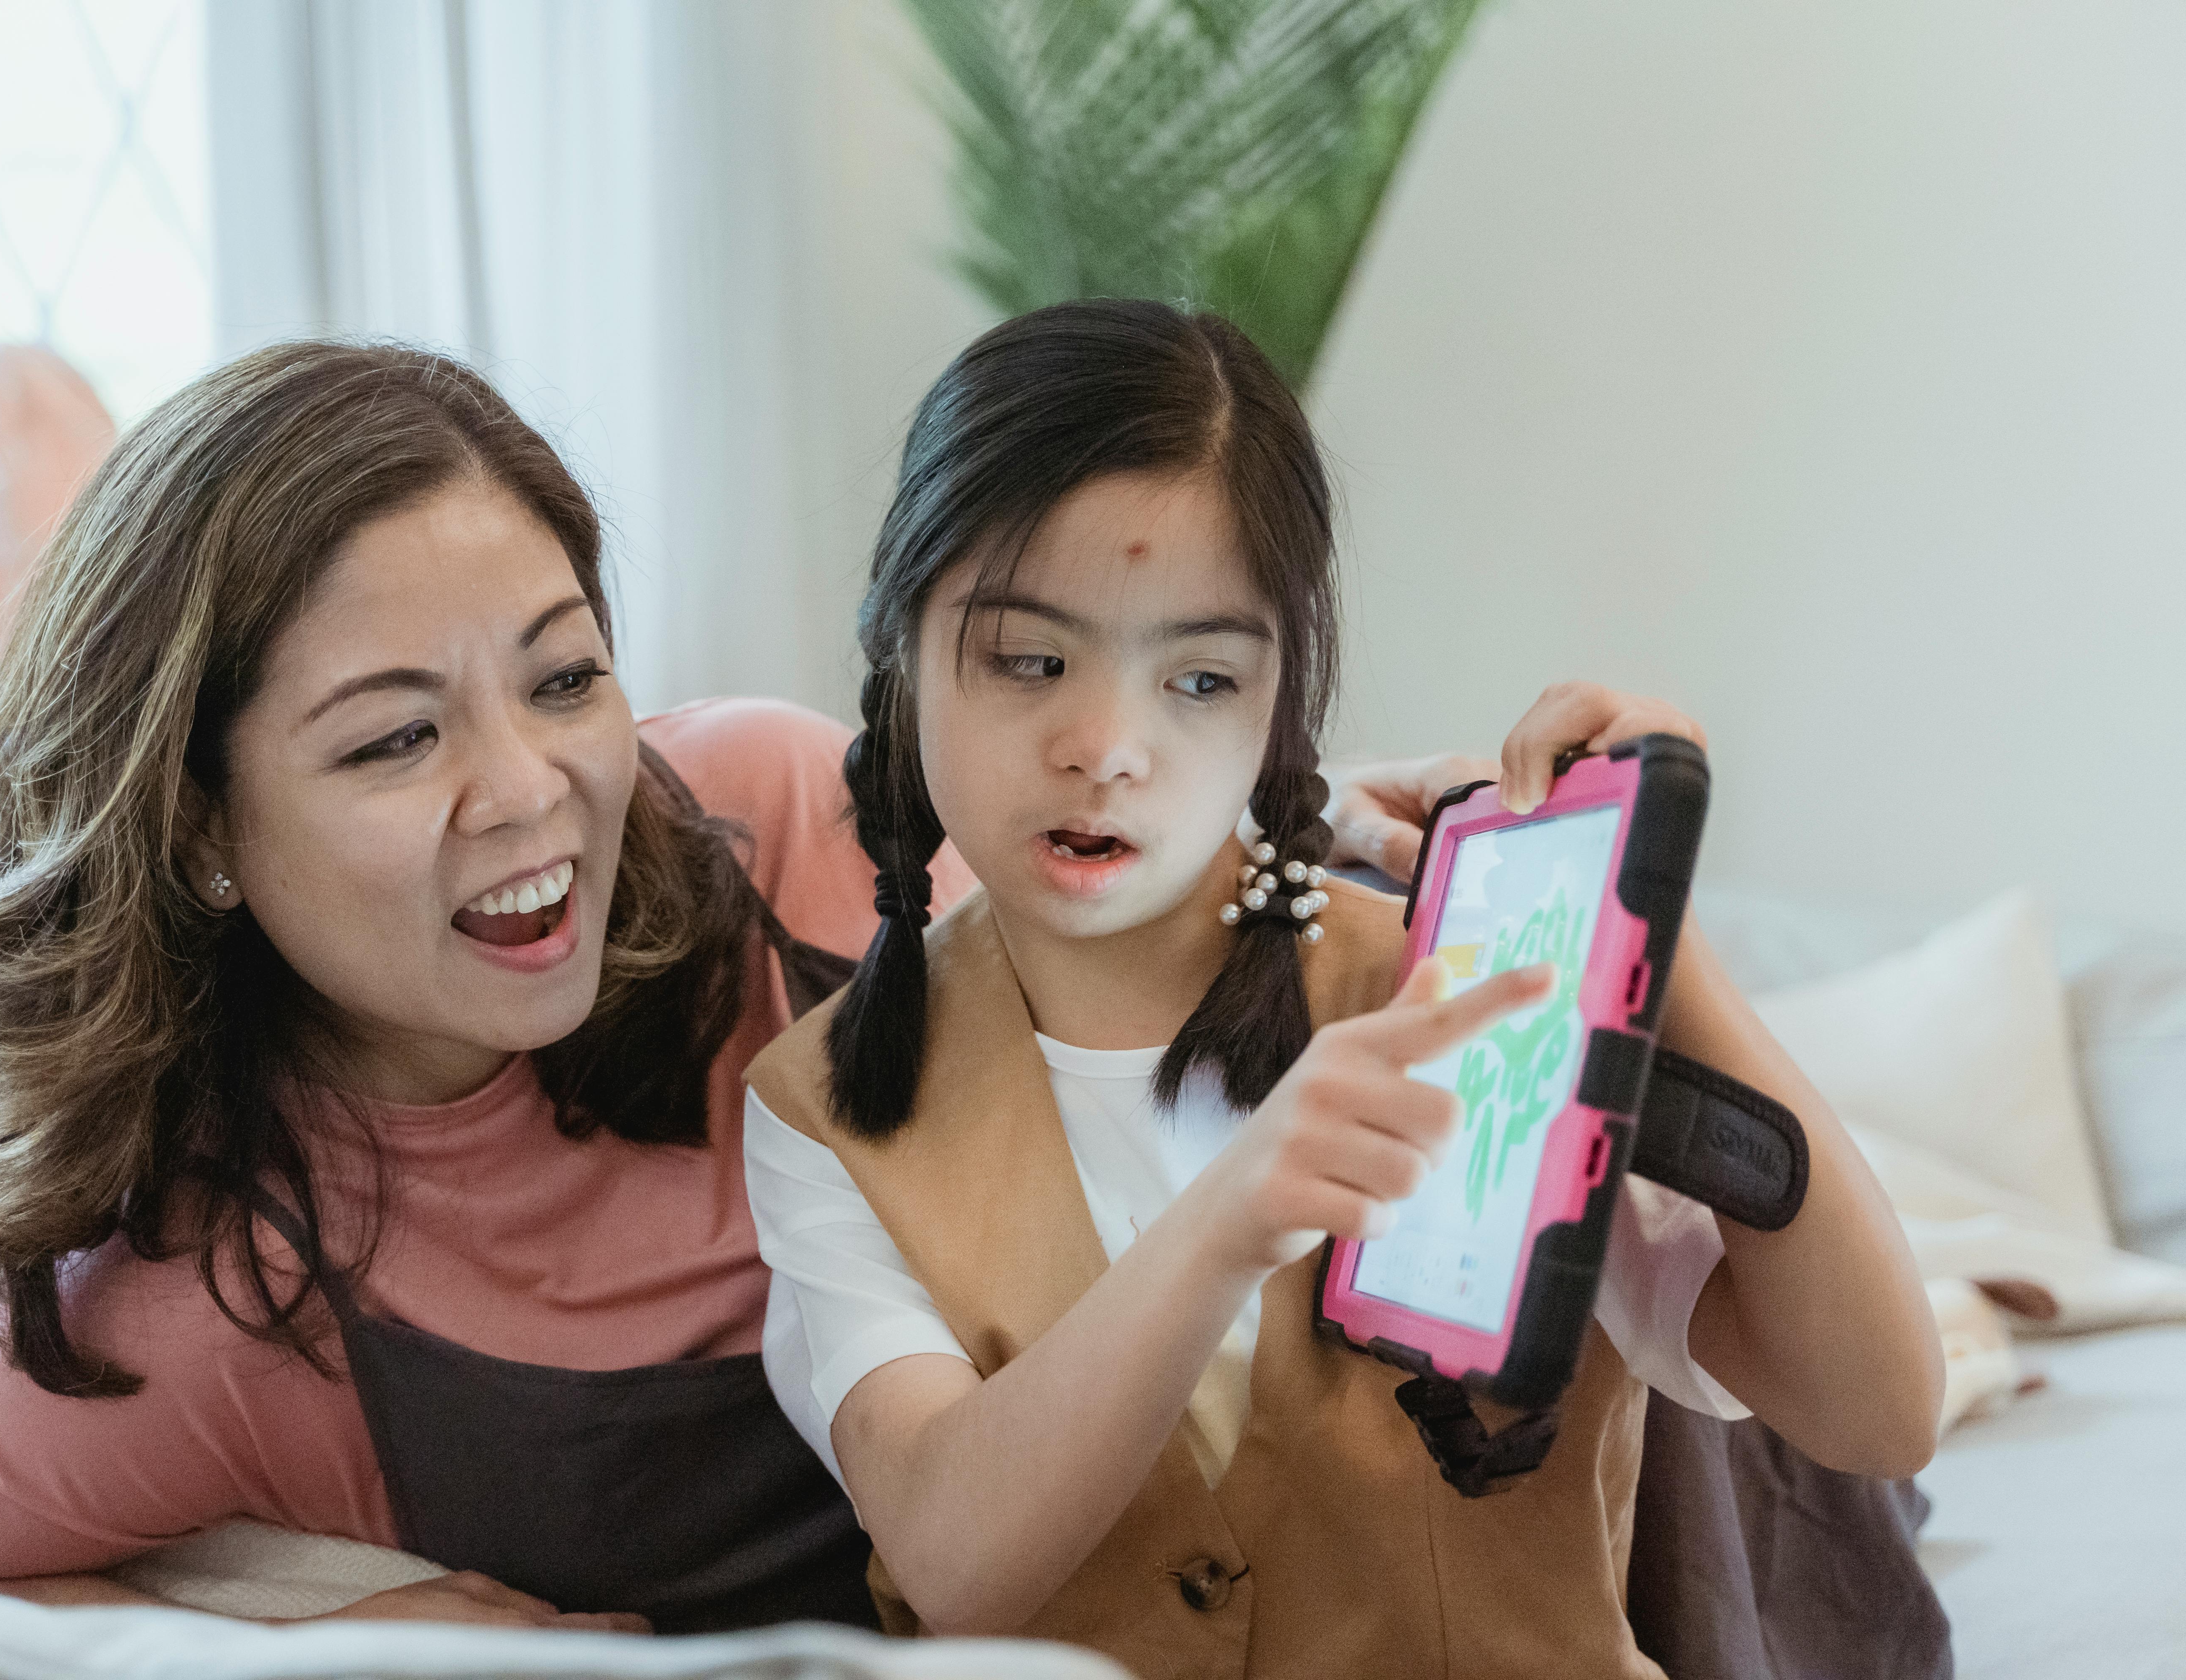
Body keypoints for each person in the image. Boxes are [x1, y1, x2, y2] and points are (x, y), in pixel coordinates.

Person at [740, 299, 1944, 1676]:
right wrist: (1234, 1216)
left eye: (1200, 678)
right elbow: (957, 1556)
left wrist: (1641, 901)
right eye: (1030, 660)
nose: (1107, 748)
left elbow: (1880, 1413)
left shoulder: (1452, 995)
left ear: (1278, 702)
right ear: (900, 643)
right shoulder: (819, 1110)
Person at [0, 340, 984, 1631]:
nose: (534, 787)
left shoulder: (792, 825)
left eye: (564, 679)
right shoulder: (197, 1297)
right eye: (396, 738)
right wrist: (318, 1644)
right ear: (197, 827)